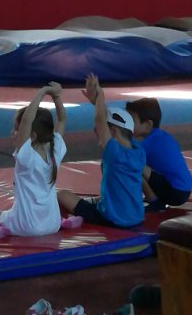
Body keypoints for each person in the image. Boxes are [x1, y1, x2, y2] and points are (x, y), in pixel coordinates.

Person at [57, 73, 145, 228]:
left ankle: (79, 214)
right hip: (136, 216)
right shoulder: (138, 151)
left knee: (62, 195)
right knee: (105, 195)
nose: (100, 142)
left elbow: (100, 120)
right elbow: (108, 122)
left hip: (112, 219)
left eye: (99, 135)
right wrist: (96, 102)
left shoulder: (115, 153)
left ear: (113, 132)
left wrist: (100, 96)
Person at [0, 83, 69, 238]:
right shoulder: (55, 150)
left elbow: (27, 121)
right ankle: (63, 221)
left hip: (27, 226)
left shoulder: (26, 157)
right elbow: (61, 119)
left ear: (32, 136)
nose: (12, 132)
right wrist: (56, 97)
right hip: (53, 223)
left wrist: (43, 92)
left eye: (17, 129)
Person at [125, 96, 192, 209]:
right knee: (135, 162)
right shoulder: (160, 136)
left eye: (131, 121)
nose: (127, 125)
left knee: (132, 163)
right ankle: (152, 197)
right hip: (182, 190)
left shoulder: (149, 143)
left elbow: (128, 158)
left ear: (147, 125)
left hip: (175, 193)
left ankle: (154, 201)